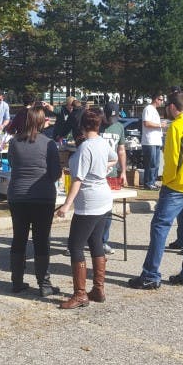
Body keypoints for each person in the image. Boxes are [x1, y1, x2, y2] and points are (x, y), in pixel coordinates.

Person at [129, 91, 183, 290]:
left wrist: (167, 182)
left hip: (177, 187)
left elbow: (172, 160)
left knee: (160, 226)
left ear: (172, 107)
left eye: (167, 107)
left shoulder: (177, 127)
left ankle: (150, 274)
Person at [56, 109, 116, 309]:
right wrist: (102, 169)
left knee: (75, 246)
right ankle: (98, 289)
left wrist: (66, 205)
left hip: (89, 203)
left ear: (81, 126)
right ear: (98, 125)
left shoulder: (85, 148)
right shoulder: (102, 142)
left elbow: (78, 180)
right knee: (96, 242)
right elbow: (114, 158)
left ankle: (80, 294)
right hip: (103, 199)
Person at [6, 107, 63, 297]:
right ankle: (44, 284)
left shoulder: (14, 142)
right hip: (42, 196)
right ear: (40, 122)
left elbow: (12, 164)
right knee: (41, 240)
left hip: (18, 195)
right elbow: (56, 173)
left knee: (19, 237)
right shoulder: (48, 143)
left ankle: (16, 281)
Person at [99, 101, 128, 255]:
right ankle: (82, 241)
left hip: (111, 174)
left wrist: (123, 171)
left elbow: (121, 150)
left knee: (107, 210)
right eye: (109, 118)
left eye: (114, 118)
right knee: (89, 210)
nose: (111, 121)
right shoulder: (96, 125)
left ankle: (103, 241)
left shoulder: (119, 127)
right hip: (96, 174)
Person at [140, 93, 164, 190]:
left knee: (156, 163)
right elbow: (146, 123)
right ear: (155, 99)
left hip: (156, 140)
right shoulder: (148, 109)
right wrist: (160, 125)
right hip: (149, 141)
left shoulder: (155, 110)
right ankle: (148, 183)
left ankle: (153, 182)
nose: (162, 101)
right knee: (151, 163)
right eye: (160, 99)